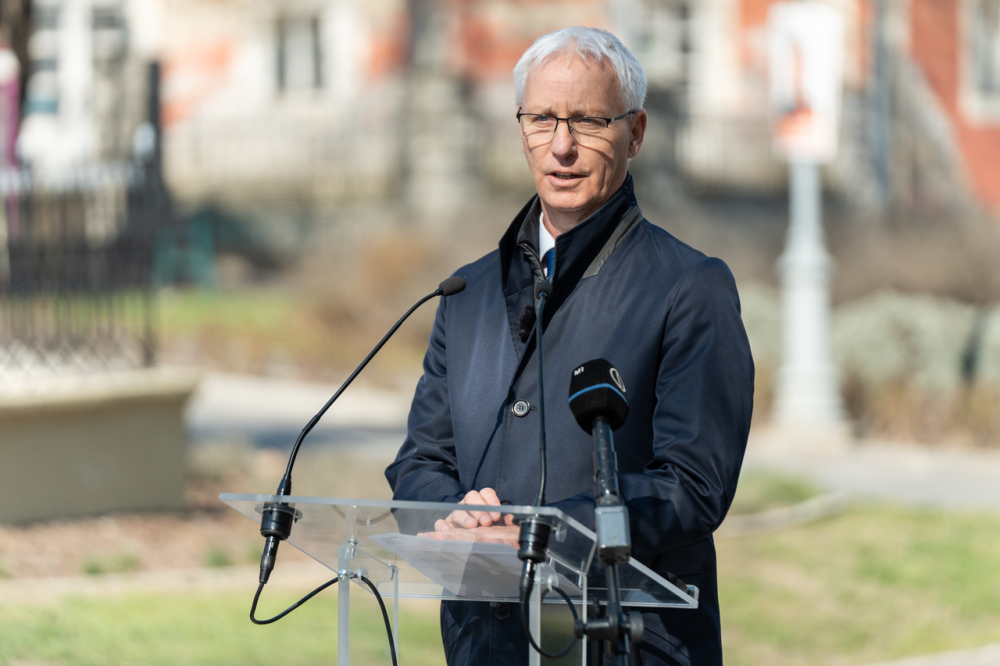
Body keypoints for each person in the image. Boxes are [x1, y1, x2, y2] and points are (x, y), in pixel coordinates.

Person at [385, 26, 754, 666]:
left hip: (625, 643)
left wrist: (542, 534)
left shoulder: (690, 287)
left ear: (635, 132)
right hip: (485, 644)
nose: (561, 145)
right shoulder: (465, 292)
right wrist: (452, 517)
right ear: (520, 127)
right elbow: (420, 462)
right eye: (541, 119)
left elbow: (693, 485)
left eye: (588, 121)